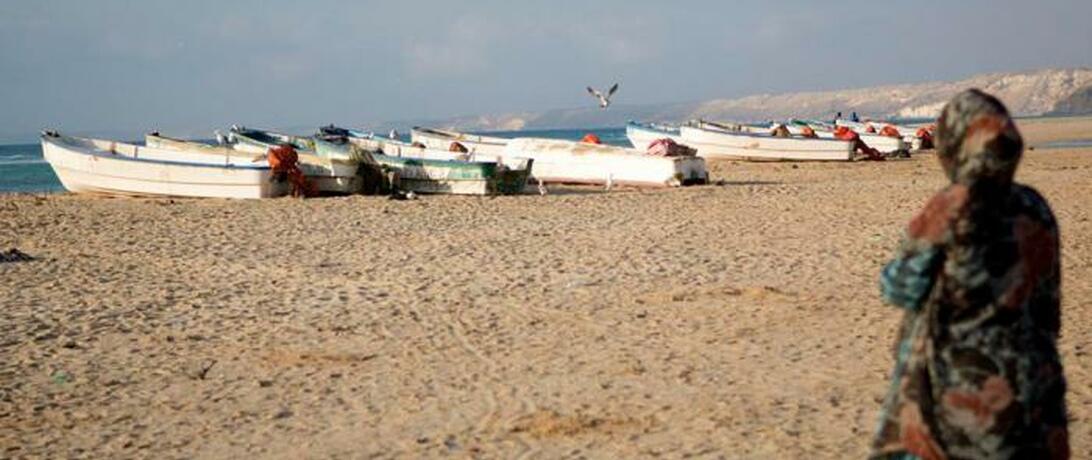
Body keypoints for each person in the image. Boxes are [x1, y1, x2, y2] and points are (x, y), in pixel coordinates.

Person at [870, 89, 1068, 459]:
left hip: (960, 393)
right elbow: (1048, 306)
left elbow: (901, 288)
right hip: (1035, 388)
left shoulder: (953, 205)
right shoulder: (1036, 207)